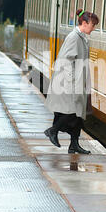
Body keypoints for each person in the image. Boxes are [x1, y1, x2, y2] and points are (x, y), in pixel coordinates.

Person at [44, 9, 99, 154]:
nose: (94, 28)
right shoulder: (74, 37)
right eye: (93, 25)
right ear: (85, 23)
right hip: (69, 82)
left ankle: (74, 144)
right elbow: (66, 61)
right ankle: (52, 131)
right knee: (72, 111)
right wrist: (72, 82)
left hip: (79, 81)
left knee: (79, 115)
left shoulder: (81, 37)